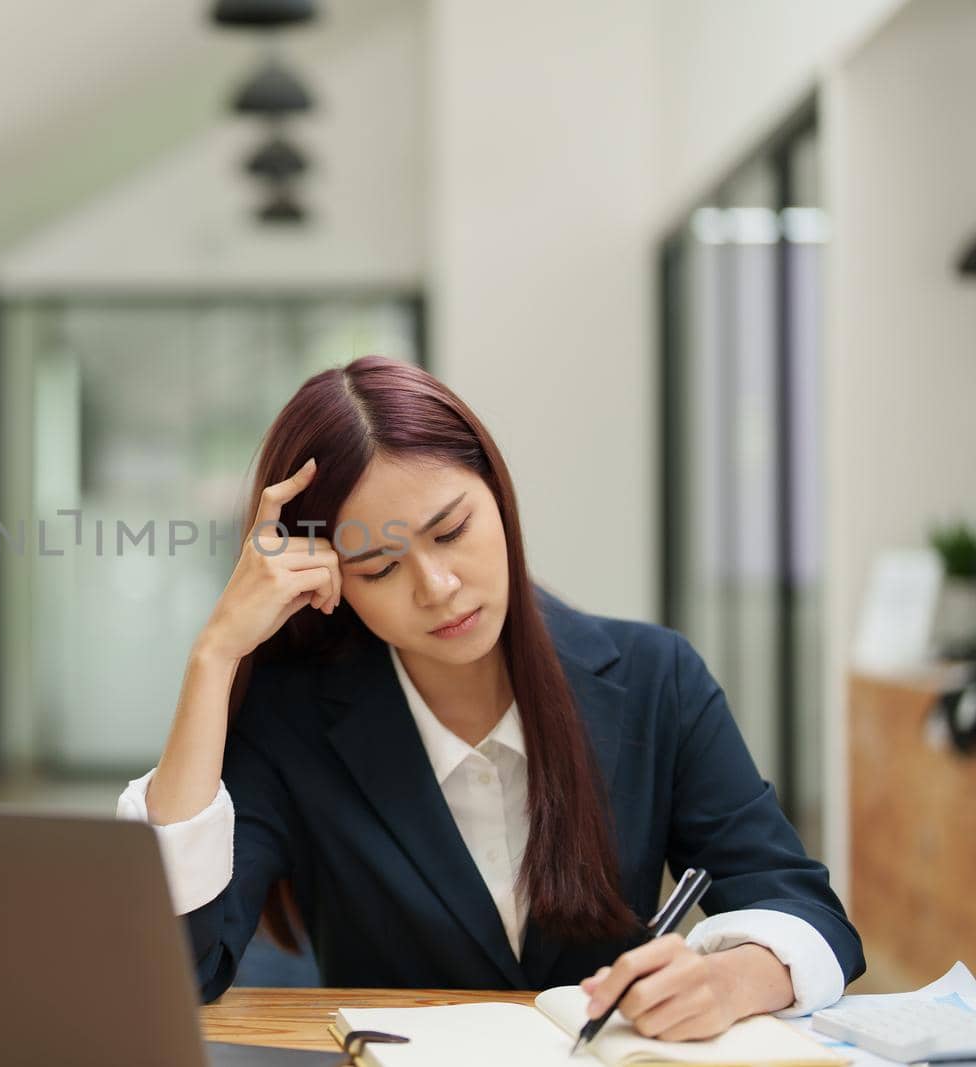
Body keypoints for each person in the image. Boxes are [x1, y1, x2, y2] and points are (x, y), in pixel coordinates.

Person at [117, 355, 863, 1041]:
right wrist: (214, 656)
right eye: (378, 567)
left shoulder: (654, 679)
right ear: (329, 586)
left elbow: (812, 915)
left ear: (497, 497)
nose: (436, 587)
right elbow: (181, 966)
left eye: (452, 530)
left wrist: (729, 979)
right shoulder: (292, 721)